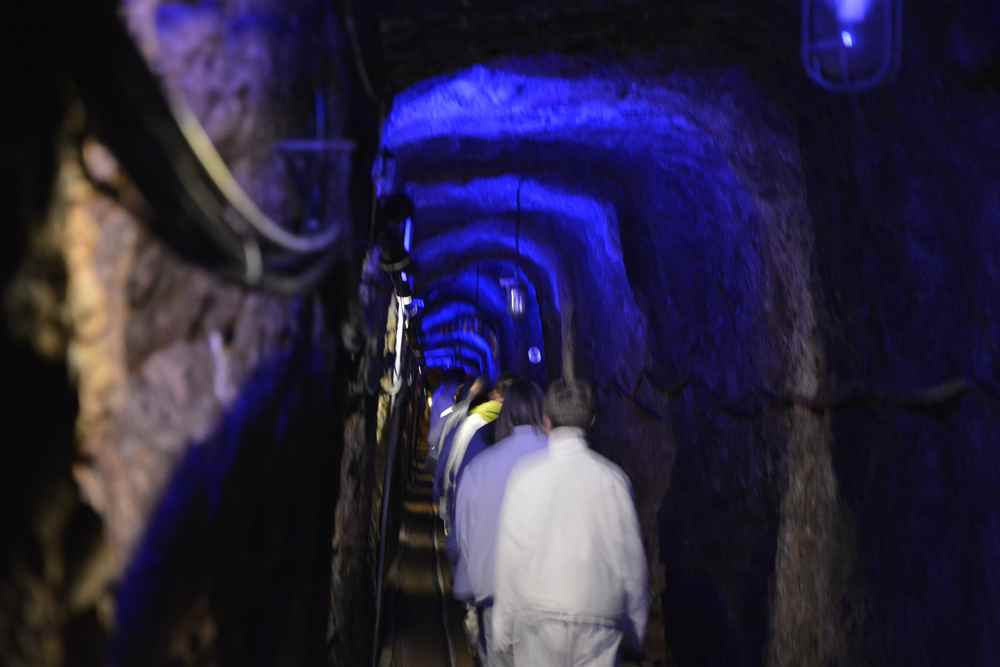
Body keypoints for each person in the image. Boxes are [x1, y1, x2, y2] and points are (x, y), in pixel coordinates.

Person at [492, 378, 650, 666]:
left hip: (537, 618)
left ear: (546, 421)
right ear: (591, 420)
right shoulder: (613, 480)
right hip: (599, 621)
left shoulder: (525, 476)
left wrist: (502, 629)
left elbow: (510, 555)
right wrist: (635, 632)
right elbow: (631, 563)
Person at [453, 378, 547, 665]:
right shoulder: (562, 464)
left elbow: (463, 536)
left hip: (495, 597)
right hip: (550, 603)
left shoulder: (480, 468)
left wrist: (469, 588)